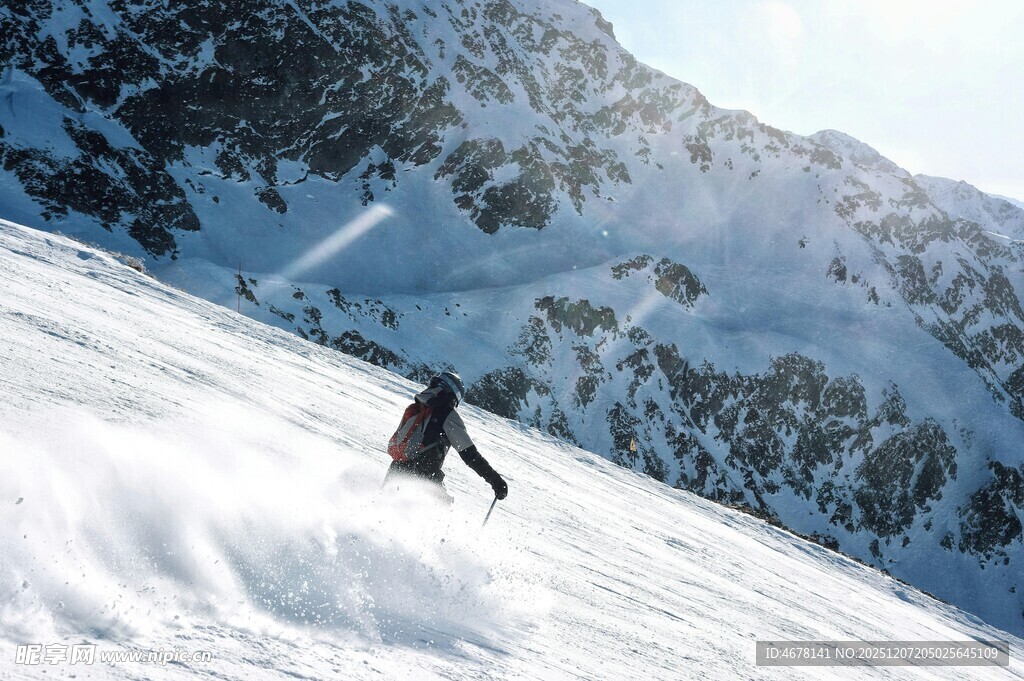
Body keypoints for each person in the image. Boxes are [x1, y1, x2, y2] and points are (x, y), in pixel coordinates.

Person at [385, 371, 508, 502]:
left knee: (384, 509)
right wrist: (495, 480)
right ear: (454, 395)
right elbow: (469, 454)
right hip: (424, 475)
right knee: (440, 511)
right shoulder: (447, 414)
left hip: (396, 468)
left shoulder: (419, 407)